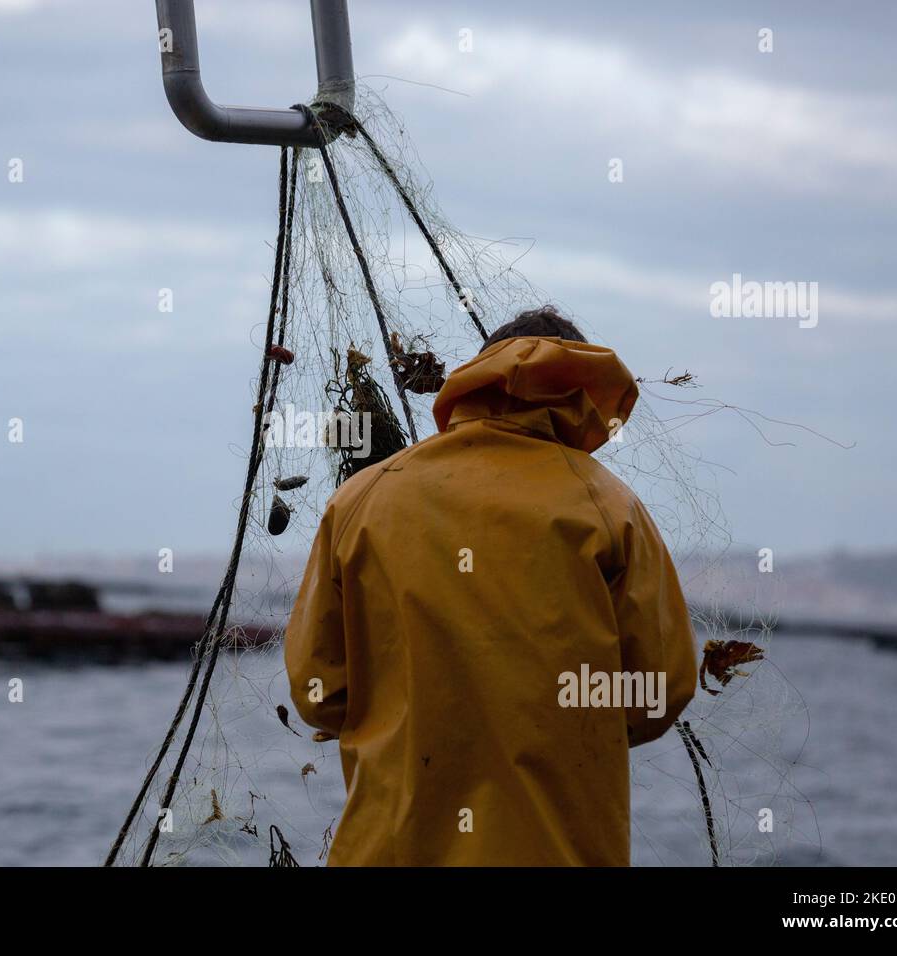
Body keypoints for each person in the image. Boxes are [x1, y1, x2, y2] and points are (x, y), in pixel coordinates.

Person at [284, 306, 697, 866]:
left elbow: (320, 693)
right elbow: (659, 694)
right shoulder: (611, 509)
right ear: (585, 395)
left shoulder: (360, 500)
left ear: (476, 380)